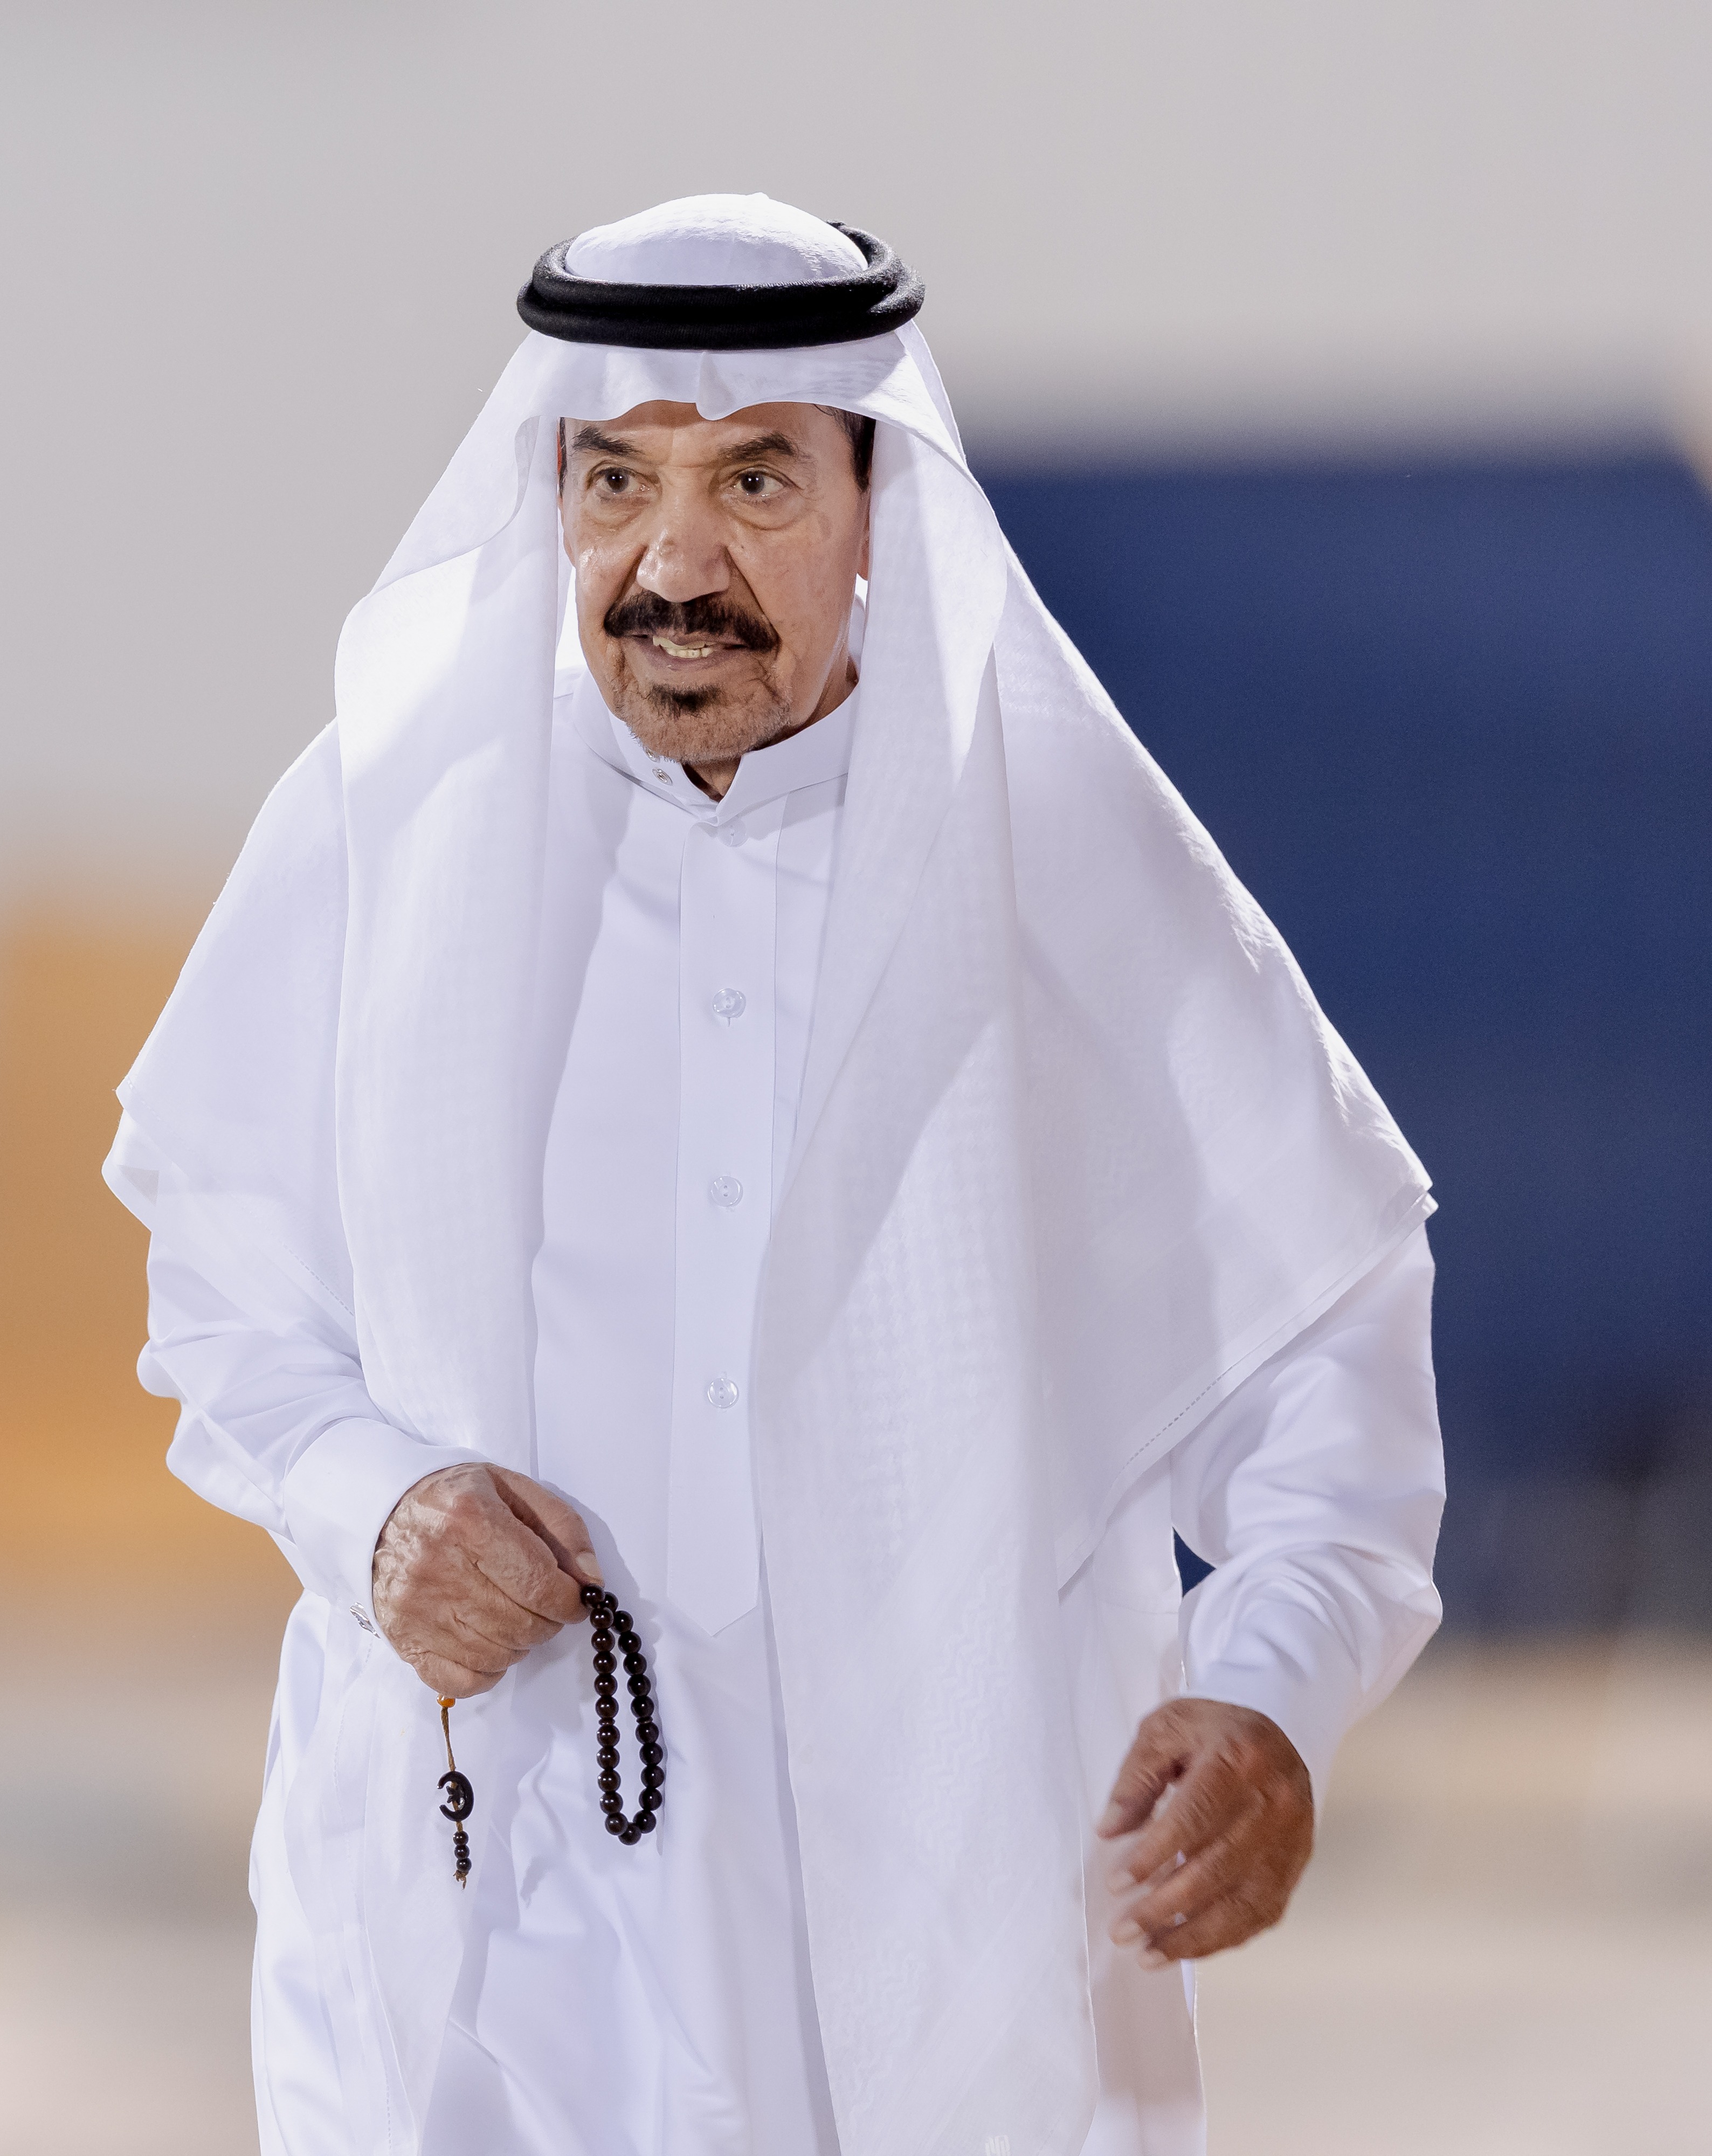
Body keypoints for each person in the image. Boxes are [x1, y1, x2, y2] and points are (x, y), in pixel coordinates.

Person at [104, 194, 1444, 2156]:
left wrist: (1268, 1704)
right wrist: (375, 1508)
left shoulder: (1062, 856)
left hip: (944, 1951)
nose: (676, 567)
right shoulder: (396, 831)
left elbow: (1331, 1381)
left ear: (875, 499)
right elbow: (227, 1309)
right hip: (494, 1942)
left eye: (753, 482)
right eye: (617, 484)